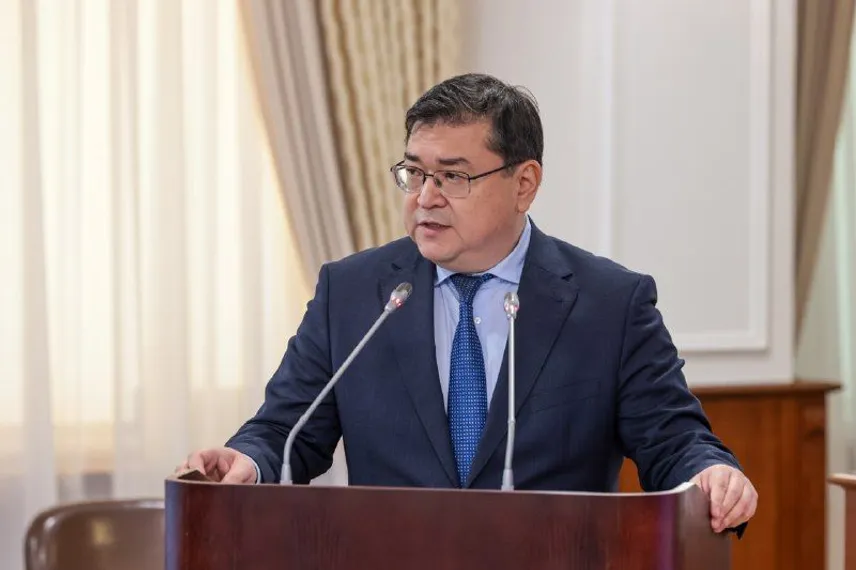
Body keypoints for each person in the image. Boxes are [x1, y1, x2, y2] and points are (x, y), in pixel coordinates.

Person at [179, 73, 757, 535]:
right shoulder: (353, 292)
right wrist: (246, 461)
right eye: (414, 173)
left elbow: (672, 438)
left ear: (524, 183)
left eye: (452, 177)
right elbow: (288, 428)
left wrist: (710, 473)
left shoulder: (610, 303)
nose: (425, 198)